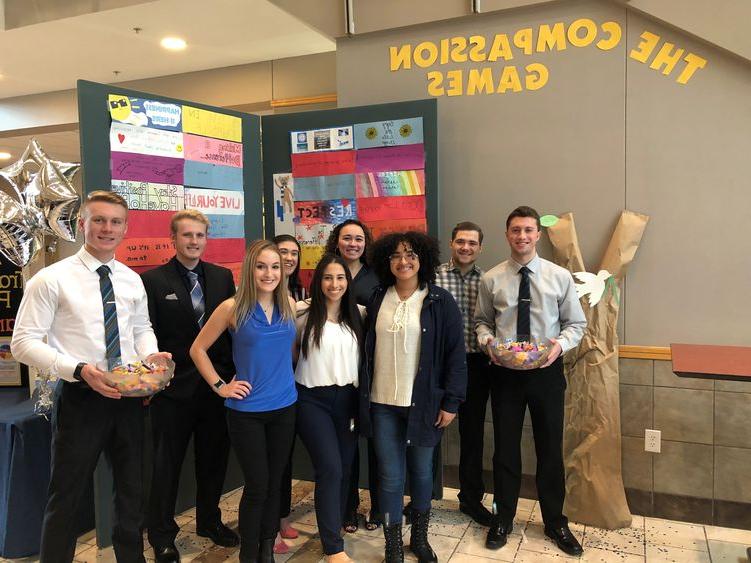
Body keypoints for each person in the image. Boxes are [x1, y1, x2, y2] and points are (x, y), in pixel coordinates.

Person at [11, 190, 171, 563]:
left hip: (129, 398)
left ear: (125, 229)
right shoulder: (51, 280)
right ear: (82, 224)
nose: (106, 228)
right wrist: (79, 370)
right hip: (81, 399)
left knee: (133, 494)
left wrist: (150, 354)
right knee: (66, 495)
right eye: (98, 220)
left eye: (115, 222)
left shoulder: (131, 280)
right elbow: (22, 343)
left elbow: (141, 329)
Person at [474, 206, 586, 556]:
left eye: (528, 230)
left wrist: (558, 347)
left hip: (546, 374)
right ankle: (503, 518)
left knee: (550, 448)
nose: (522, 236)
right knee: (505, 449)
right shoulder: (492, 279)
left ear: (538, 235)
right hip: (505, 375)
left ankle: (555, 522)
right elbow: (481, 322)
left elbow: (576, 326)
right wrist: (487, 343)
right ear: (507, 235)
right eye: (515, 230)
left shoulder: (559, 277)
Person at [361, 231, 467, 563]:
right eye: (395, 256)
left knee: (422, 473)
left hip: (425, 404)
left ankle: (419, 539)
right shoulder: (378, 297)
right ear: (385, 262)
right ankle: (393, 543)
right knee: (390, 476)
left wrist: (451, 402)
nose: (403, 261)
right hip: (382, 404)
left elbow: (455, 354)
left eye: (410, 255)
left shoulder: (439, 300)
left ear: (422, 259)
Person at [190, 239, 297, 563]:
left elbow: (288, 354)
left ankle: (266, 549)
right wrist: (221, 385)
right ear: (250, 269)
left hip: (285, 408)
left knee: (275, 483)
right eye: (261, 266)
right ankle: (249, 555)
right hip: (247, 411)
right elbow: (197, 349)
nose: (269, 273)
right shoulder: (232, 308)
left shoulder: (289, 304)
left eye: (275, 266)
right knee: (257, 486)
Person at [141, 209, 238, 562]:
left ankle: (209, 521)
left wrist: (230, 377)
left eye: (199, 235)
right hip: (173, 392)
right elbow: (145, 333)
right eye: (187, 235)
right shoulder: (152, 281)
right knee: (166, 467)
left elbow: (229, 334)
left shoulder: (222, 277)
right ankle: (162, 535)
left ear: (206, 239)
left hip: (215, 388)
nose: (193, 241)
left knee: (213, 461)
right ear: (174, 238)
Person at [294, 253, 363, 563]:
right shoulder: (301, 312)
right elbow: (290, 354)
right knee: (331, 469)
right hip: (311, 400)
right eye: (327, 278)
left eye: (340, 278)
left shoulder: (359, 314)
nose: (334, 284)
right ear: (317, 281)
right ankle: (333, 547)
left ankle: (333, 526)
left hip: (348, 401)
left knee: (345, 469)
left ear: (347, 282)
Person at [435, 221, 493, 527]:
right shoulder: (433, 277)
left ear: (480, 247)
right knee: (427, 432)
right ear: (452, 243)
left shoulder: (489, 280)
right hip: (437, 366)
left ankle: (471, 499)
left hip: (476, 366)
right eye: (460, 241)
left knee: (472, 435)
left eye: (472, 243)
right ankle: (422, 496)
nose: (465, 247)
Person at [324, 219, 380, 531]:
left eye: (359, 238)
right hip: (339, 366)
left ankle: (378, 507)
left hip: (372, 364)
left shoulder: (376, 275)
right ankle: (348, 508)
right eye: (347, 238)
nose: (353, 244)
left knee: (375, 440)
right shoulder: (328, 271)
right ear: (337, 241)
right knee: (346, 445)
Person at [271, 234, 304, 553]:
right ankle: (270, 527)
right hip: (265, 389)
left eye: (294, 253)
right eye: (283, 252)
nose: (289, 258)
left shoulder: (301, 292)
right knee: (268, 466)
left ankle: (281, 518)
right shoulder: (258, 292)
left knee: (284, 458)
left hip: (294, 386)